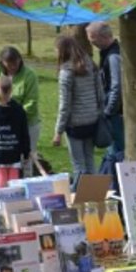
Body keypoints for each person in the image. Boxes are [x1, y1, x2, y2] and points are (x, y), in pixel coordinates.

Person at [52, 36, 101, 184]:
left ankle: (82, 199)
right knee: (90, 161)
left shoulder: (66, 72)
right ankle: (96, 197)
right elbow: (100, 93)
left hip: (75, 124)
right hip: (92, 120)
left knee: (79, 165)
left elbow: (65, 105)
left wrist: (58, 132)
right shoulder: (90, 65)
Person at [0, 46, 39, 176]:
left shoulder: (29, 75)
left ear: (20, 60)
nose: (13, 67)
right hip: (1, 125)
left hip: (25, 124)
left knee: (25, 161)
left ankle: (25, 190)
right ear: (2, 62)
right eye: (9, 64)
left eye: (15, 63)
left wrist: (15, 117)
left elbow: (32, 102)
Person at [0, 75, 31, 188]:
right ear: (11, 90)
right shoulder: (19, 110)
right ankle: (14, 204)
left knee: (2, 182)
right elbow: (24, 132)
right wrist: (26, 152)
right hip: (14, 153)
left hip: (0, 154)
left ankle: (2, 204)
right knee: (14, 183)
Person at [86, 22, 124, 157]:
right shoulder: (106, 54)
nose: (91, 42)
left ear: (103, 37)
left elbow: (117, 86)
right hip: (112, 111)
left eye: (92, 38)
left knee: (117, 151)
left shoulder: (113, 56)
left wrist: (109, 110)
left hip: (115, 113)